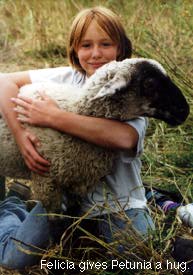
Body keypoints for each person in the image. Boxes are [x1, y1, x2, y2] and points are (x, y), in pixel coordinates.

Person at [2, 5, 189, 270]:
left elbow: (124, 139)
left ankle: (145, 203)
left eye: (106, 44)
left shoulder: (131, 89)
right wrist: (21, 138)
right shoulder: (67, 77)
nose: (96, 54)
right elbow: (4, 81)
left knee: (137, 259)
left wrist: (53, 117)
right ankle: (12, 204)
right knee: (13, 259)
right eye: (86, 45)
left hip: (119, 202)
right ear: (74, 50)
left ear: (121, 48)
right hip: (64, 197)